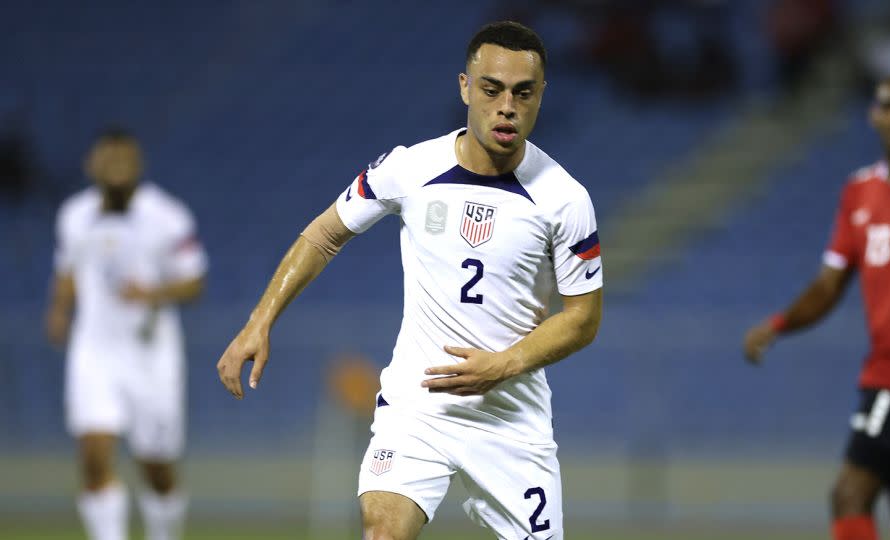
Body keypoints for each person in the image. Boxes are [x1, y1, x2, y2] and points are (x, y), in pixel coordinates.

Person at [216, 21, 603, 540]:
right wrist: (258, 321)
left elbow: (583, 319)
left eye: (522, 92)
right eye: (491, 89)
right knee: (382, 533)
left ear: (540, 96)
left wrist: (504, 364)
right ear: (465, 86)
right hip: (418, 408)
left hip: (511, 419)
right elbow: (324, 234)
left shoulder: (565, 199)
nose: (506, 106)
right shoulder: (410, 168)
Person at [743, 77, 890, 540]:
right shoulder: (859, 191)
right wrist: (779, 324)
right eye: (889, 106)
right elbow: (830, 283)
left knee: (849, 495)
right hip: (887, 373)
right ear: (874, 115)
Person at [46, 128, 207, 540]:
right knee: (94, 455)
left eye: (124, 161)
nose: (116, 170)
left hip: (151, 357)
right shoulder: (74, 215)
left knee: (156, 467)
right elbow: (67, 270)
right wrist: (59, 310)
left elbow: (193, 282)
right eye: (109, 161)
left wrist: (152, 292)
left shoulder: (167, 216)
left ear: (138, 167)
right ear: (92, 166)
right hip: (95, 353)